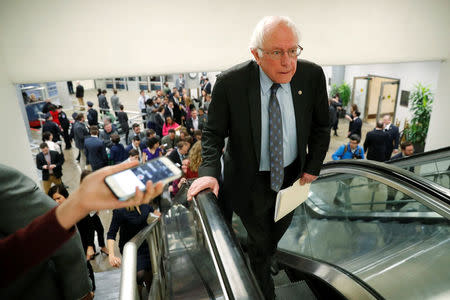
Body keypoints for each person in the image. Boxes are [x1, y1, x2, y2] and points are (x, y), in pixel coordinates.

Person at [187, 16, 330, 300]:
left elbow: (321, 126)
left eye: (293, 51)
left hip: (292, 178)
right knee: (259, 242)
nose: (288, 62)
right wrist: (208, 172)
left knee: (276, 230)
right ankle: (263, 284)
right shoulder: (231, 83)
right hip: (248, 182)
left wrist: (312, 167)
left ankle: (266, 254)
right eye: (277, 52)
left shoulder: (311, 76)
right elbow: (213, 134)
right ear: (256, 54)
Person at [0, 162, 164, 294]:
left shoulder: (145, 205)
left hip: (144, 245)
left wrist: (81, 203)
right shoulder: (120, 211)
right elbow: (106, 233)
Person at [48, 184, 96, 293]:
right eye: (53, 199)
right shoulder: (53, 214)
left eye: (58, 198)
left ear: (66, 197)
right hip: (65, 250)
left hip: (82, 245)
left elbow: (90, 228)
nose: (56, 202)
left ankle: (91, 290)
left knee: (85, 268)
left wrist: (90, 246)